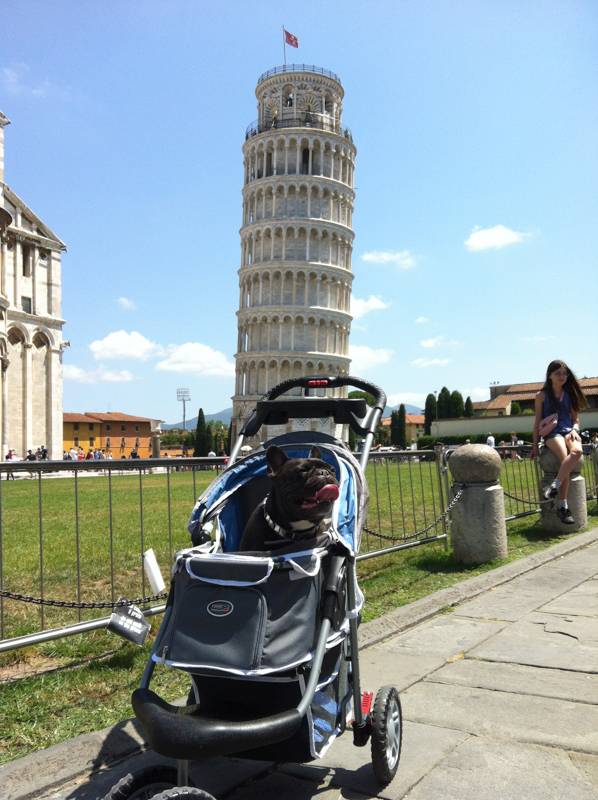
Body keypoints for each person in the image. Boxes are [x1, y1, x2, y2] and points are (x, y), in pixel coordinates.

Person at [531, 360, 587, 525]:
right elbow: (537, 422)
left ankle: (553, 488)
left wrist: (574, 430)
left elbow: (575, 420)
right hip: (552, 434)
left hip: (569, 431)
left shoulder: (570, 394)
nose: (562, 376)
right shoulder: (541, 396)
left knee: (577, 452)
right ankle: (563, 506)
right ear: (550, 375)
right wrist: (535, 446)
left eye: (564, 373)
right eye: (558, 373)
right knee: (565, 460)